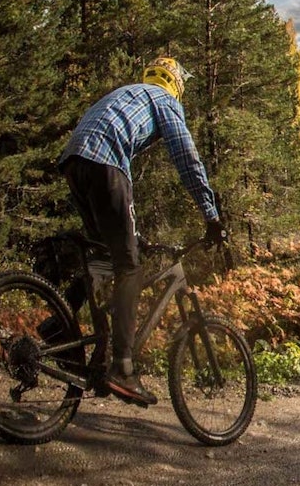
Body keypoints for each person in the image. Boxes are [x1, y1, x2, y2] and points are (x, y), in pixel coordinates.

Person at [58, 56, 226, 407]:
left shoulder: (128, 94)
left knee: (104, 258)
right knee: (129, 266)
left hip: (75, 162)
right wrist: (211, 216)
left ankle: (58, 323)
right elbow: (188, 160)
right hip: (105, 163)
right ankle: (122, 366)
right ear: (176, 83)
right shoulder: (164, 101)